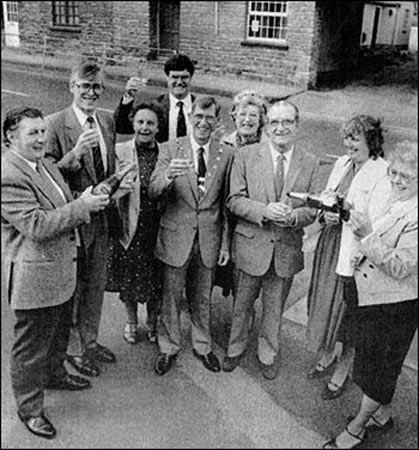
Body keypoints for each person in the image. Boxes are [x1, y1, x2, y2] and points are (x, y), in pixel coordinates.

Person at [1, 107, 110, 439]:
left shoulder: (45, 164)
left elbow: (63, 201)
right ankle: (30, 409)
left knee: (59, 332)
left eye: (42, 131)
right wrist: (83, 207)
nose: (40, 138)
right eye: (31, 133)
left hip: (60, 269)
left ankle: (55, 374)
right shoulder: (8, 173)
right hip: (34, 275)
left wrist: (100, 192)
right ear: (10, 136)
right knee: (31, 346)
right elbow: (36, 224)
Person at [323, 140, 417, 449]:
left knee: (379, 368)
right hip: (374, 296)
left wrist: (366, 236)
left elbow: (402, 266)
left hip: (397, 304)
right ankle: (382, 416)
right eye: (393, 172)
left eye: (406, 176)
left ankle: (357, 428)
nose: (396, 180)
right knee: (376, 362)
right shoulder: (397, 199)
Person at [222, 100, 321, 380]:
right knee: (241, 305)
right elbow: (234, 200)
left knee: (274, 309)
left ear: (297, 126)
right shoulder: (246, 156)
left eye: (287, 122)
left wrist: (294, 217)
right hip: (250, 244)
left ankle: (268, 354)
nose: (281, 128)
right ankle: (235, 348)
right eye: (275, 122)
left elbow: (313, 208)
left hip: (285, 250)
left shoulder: (310, 161)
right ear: (267, 125)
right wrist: (263, 210)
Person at [306, 115, 391, 401]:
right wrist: (325, 212)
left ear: (372, 141)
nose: (348, 144)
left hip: (355, 254)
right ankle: (327, 353)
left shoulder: (382, 172)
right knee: (326, 304)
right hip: (331, 245)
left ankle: (343, 367)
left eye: (355, 138)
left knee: (349, 315)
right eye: (347, 138)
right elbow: (327, 196)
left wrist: (343, 214)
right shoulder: (343, 163)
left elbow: (377, 222)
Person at [149, 96, 234, 376]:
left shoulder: (226, 154)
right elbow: (153, 190)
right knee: (171, 297)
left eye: (209, 118)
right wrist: (168, 177)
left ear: (216, 121)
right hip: (176, 237)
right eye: (198, 116)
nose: (203, 122)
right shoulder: (170, 148)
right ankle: (168, 346)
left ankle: (202, 345)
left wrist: (224, 244)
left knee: (202, 298)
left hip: (209, 238)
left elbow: (224, 204)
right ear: (191, 116)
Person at [45, 59, 119, 378]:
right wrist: (74, 155)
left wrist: (118, 183)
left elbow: (107, 168)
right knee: (74, 289)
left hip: (102, 220)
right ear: (72, 86)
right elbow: (46, 177)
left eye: (97, 87)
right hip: (74, 221)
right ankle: (74, 350)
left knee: (96, 286)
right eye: (85, 86)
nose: (91, 92)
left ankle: (90, 341)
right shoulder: (54, 123)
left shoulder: (105, 122)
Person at [106, 100, 164, 345]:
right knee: (128, 279)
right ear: (133, 123)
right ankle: (131, 321)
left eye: (150, 123)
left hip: (157, 226)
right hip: (129, 225)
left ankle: (152, 322)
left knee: (155, 279)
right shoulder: (119, 150)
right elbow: (107, 184)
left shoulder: (165, 152)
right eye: (140, 122)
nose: (144, 127)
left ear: (158, 127)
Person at [215, 89, 269, 300]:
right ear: (234, 116)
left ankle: (243, 314)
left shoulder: (268, 148)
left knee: (246, 279)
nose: (247, 120)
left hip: (250, 218)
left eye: (253, 115)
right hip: (223, 216)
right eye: (242, 114)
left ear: (261, 119)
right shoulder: (223, 143)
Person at [114, 53, 196, 143]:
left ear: (191, 77)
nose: (179, 82)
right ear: (167, 77)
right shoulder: (155, 106)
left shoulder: (200, 106)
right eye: (175, 77)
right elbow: (122, 128)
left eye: (184, 77)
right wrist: (129, 96)